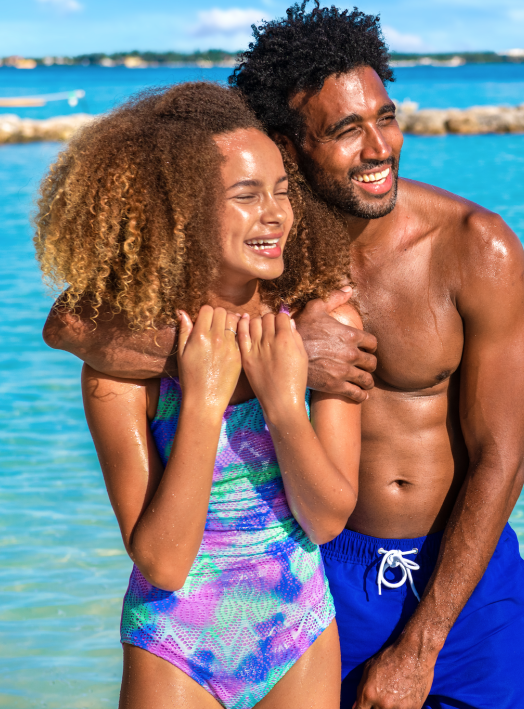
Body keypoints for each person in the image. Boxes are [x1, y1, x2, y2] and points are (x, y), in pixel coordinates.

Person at [43, 0, 524, 709]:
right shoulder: (275, 263)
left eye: (386, 118)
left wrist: (422, 645)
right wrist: (276, 351)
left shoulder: (474, 247)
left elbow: (503, 459)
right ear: (288, 145)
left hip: (463, 580)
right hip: (323, 573)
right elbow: (69, 324)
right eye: (345, 130)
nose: (379, 149)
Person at [34, 82, 362, 709]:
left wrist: (284, 402)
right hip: (173, 636)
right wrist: (206, 403)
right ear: (180, 215)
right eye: (246, 195)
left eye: (282, 191)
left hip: (298, 628)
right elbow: (162, 562)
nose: (276, 214)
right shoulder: (121, 367)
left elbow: (326, 520)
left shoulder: (321, 328)